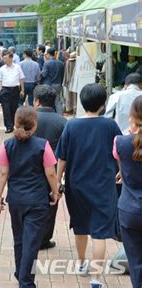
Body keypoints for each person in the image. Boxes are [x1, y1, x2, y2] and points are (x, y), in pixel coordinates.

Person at [56, 83, 122, 288]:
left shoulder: (72, 125)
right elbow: (119, 151)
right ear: (103, 105)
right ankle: (96, 279)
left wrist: (58, 181)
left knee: (80, 226)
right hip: (104, 186)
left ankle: (82, 263)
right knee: (100, 233)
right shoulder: (110, 125)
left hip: (77, 185)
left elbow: (62, 158)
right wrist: (121, 170)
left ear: (82, 102)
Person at [0, 106, 60, 288]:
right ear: (34, 125)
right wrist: (55, 192)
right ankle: (26, 282)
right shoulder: (43, 145)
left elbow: (3, 174)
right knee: (32, 244)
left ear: (16, 123)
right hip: (37, 201)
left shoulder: (7, 145)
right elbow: (51, 174)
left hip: (15, 200)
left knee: (20, 240)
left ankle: (21, 274)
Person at [33, 85, 67, 250]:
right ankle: (45, 239)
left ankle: (31, 235)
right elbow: (66, 150)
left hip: (30, 166)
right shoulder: (62, 121)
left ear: (37, 101)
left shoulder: (29, 118)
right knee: (52, 201)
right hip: (53, 167)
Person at [113, 96, 142, 287]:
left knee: (135, 262)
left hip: (129, 209)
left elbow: (122, 170)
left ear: (132, 116)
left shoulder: (120, 142)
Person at [0, 51, 25, 133]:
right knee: (6, 109)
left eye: (5, 58)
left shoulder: (17, 67)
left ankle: (13, 124)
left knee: (14, 108)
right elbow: (0, 80)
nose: (4, 59)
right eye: (3, 58)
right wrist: (1, 90)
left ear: (11, 58)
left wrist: (22, 89)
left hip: (15, 89)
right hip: (5, 89)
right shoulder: (2, 68)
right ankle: (8, 126)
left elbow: (21, 78)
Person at [40, 48, 64, 114]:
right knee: (57, 101)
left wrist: (40, 75)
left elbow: (44, 74)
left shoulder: (47, 63)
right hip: (58, 84)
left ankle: (50, 115)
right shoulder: (61, 63)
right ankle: (60, 116)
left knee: (48, 101)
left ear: (48, 54)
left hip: (49, 84)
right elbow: (62, 75)